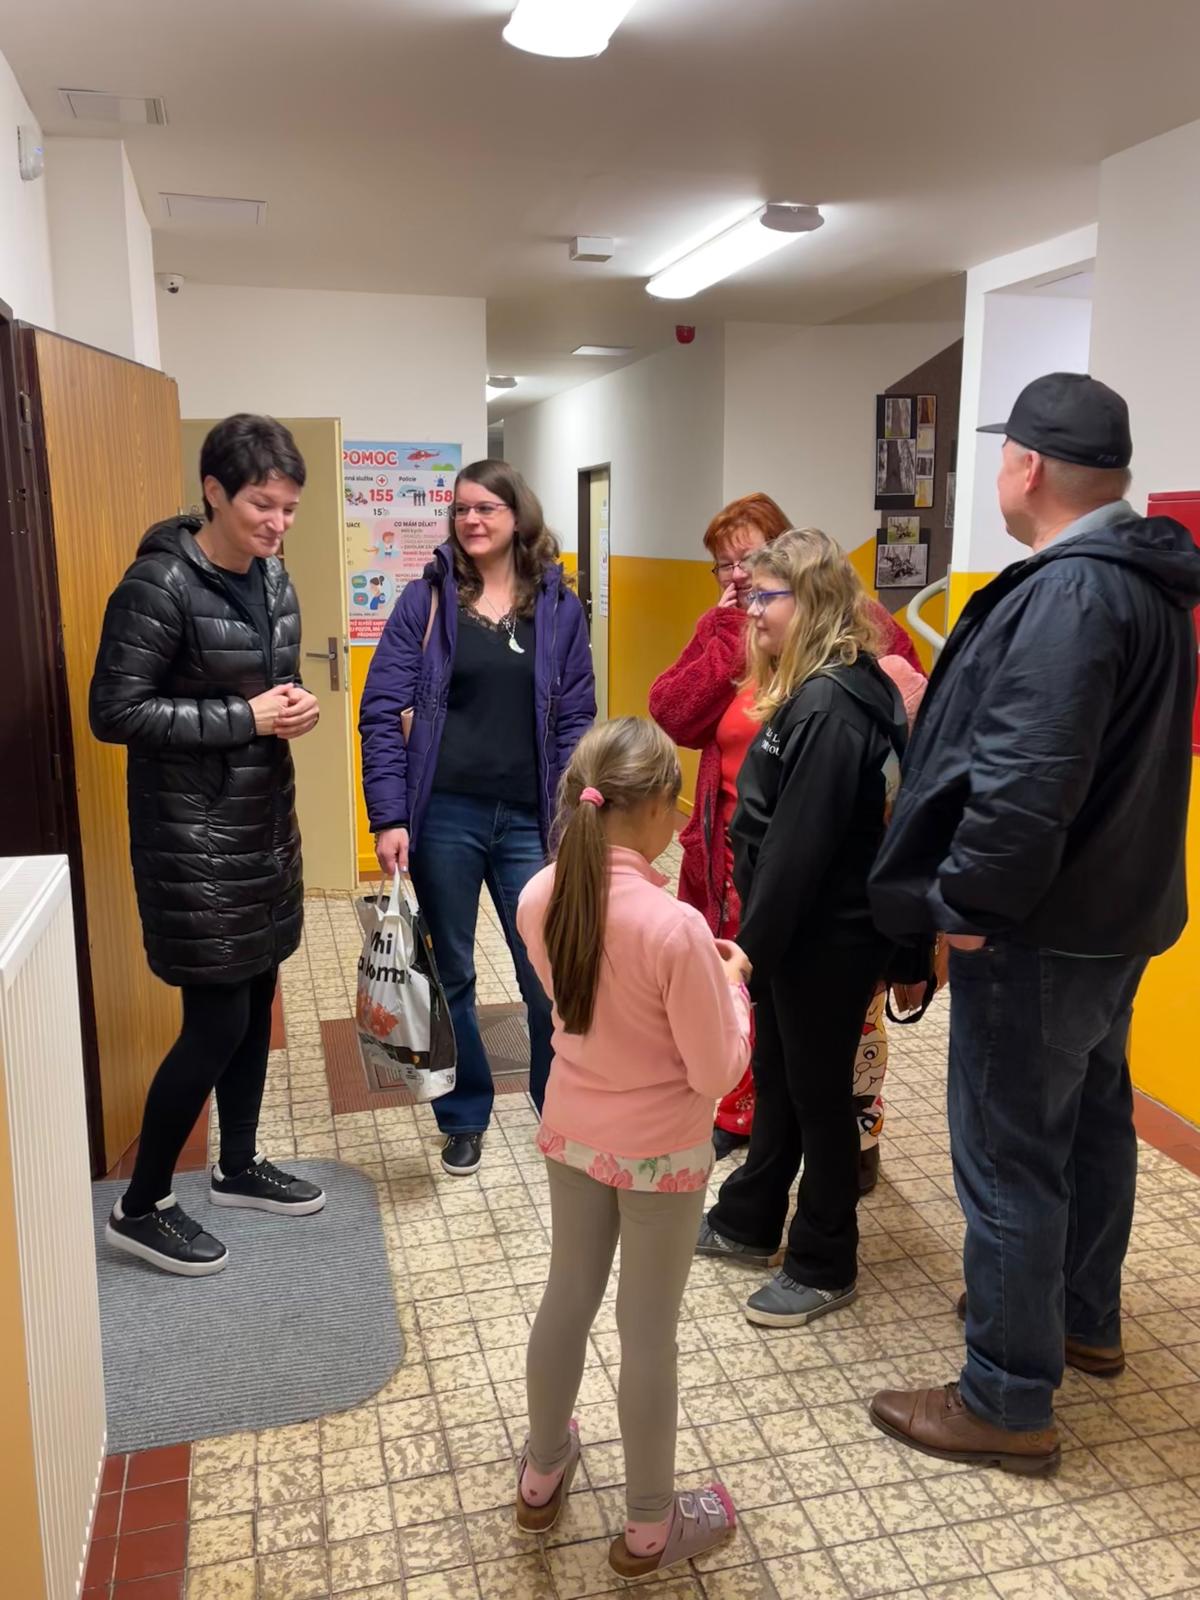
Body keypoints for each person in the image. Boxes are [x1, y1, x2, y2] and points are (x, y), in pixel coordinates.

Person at [867, 373, 1200, 1473]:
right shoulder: (1147, 582)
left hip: (1040, 929)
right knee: (1092, 1123)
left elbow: (1026, 778)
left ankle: (1007, 1398)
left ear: (1030, 467)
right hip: (1115, 919)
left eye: (1003, 455)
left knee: (1010, 1153)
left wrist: (968, 910)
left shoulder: (1072, 594)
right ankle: (1080, 1317)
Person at [90, 414, 325, 1278]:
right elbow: (114, 711)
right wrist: (245, 717)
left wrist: (292, 707)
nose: (278, 524)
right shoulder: (158, 584)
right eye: (263, 505)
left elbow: (265, 690)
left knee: (257, 997)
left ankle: (238, 1165)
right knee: (216, 1018)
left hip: (262, 827)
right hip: (191, 840)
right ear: (214, 491)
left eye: (289, 508)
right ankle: (140, 1204)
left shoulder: (275, 578)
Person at [514, 718, 750, 1577]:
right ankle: (649, 1528)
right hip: (662, 1156)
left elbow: (578, 1006)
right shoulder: (675, 927)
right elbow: (716, 1068)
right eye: (676, 805)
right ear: (651, 807)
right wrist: (732, 989)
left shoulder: (539, 895)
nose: (681, 821)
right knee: (648, 1331)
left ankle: (542, 1474)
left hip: (573, 1130)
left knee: (566, 1296)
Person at [649, 492, 925, 1183]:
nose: (737, 578)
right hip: (733, 851)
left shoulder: (855, 638)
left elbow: (904, 719)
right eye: (724, 566)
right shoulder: (733, 627)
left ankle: (854, 1142)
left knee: (838, 1029)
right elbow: (674, 713)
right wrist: (728, 630)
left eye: (750, 562)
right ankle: (749, 1135)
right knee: (760, 1015)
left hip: (827, 870)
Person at [360, 461, 595, 1175]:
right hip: (445, 817)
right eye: (461, 508)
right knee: (453, 973)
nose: (471, 520)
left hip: (531, 819)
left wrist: (573, 815)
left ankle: (560, 1105)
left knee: (546, 971)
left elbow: (576, 716)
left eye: (486, 508)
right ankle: (463, 1115)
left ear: (518, 515)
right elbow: (381, 710)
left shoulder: (557, 605)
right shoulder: (427, 600)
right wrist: (390, 816)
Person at [694, 530, 904, 1327]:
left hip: (826, 936)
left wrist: (750, 952)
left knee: (819, 1097)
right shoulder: (820, 687)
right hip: (800, 931)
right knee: (780, 1077)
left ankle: (824, 1261)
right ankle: (750, 1219)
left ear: (810, 601)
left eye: (765, 597)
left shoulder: (832, 707)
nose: (751, 610)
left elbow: (798, 847)